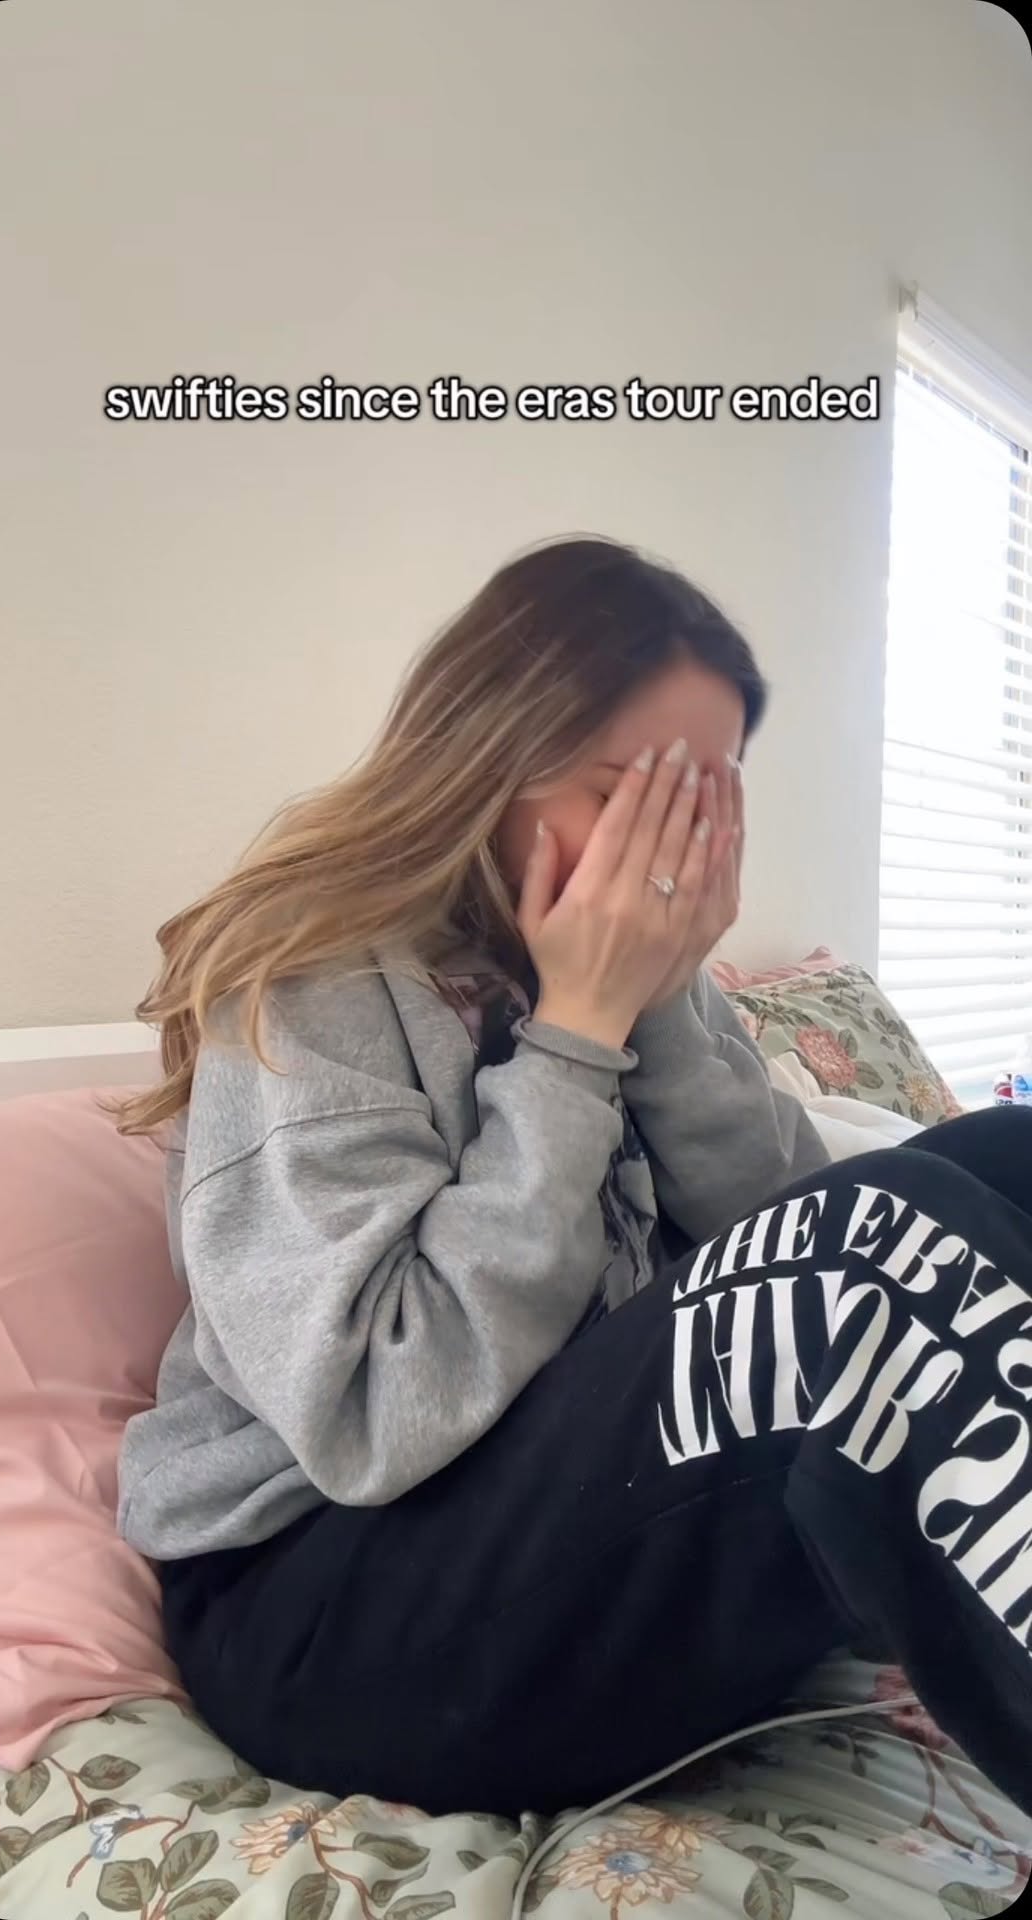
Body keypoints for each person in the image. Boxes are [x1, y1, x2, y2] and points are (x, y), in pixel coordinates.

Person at [115, 535, 1032, 1821]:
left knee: (999, 1160)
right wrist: (574, 1037)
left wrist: (652, 1001)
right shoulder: (309, 980)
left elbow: (779, 1244)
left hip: (578, 1542)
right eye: (628, 796)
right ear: (485, 761)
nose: (664, 857)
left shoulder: (641, 971)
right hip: (328, 1605)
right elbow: (376, 1415)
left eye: (700, 809)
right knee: (876, 1261)